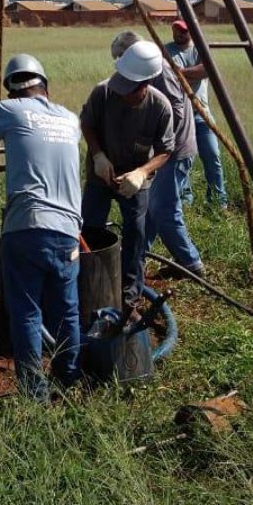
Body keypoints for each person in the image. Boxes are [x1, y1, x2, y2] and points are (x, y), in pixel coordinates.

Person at [0, 53, 83, 401]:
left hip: (27, 227)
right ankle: (68, 380)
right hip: (69, 231)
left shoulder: (11, 111)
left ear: (12, 91)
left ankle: (34, 393)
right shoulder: (70, 119)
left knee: (27, 312)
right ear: (45, 86)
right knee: (66, 309)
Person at [79, 39, 174, 317]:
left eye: (129, 90)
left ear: (144, 86)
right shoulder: (103, 92)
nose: (122, 93)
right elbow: (87, 123)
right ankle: (87, 286)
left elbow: (166, 150)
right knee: (90, 229)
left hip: (134, 183)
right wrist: (98, 156)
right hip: (101, 176)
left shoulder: (160, 108)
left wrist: (142, 172)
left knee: (136, 234)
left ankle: (129, 297)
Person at [110, 31, 206, 282]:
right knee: (152, 206)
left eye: (122, 58)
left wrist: (153, 139)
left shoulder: (159, 69)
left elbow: (175, 109)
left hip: (174, 150)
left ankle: (191, 263)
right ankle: (138, 256)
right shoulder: (148, 68)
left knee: (164, 210)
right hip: (165, 149)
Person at [166, 18, 229, 210]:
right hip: (178, 116)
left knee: (213, 156)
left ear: (191, 32)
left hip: (201, 113)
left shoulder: (200, 49)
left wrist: (179, 73)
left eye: (183, 31)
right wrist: (185, 73)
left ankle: (218, 201)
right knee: (183, 160)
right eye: (176, 30)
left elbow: (205, 70)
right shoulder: (165, 50)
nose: (178, 34)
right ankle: (185, 203)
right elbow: (167, 74)